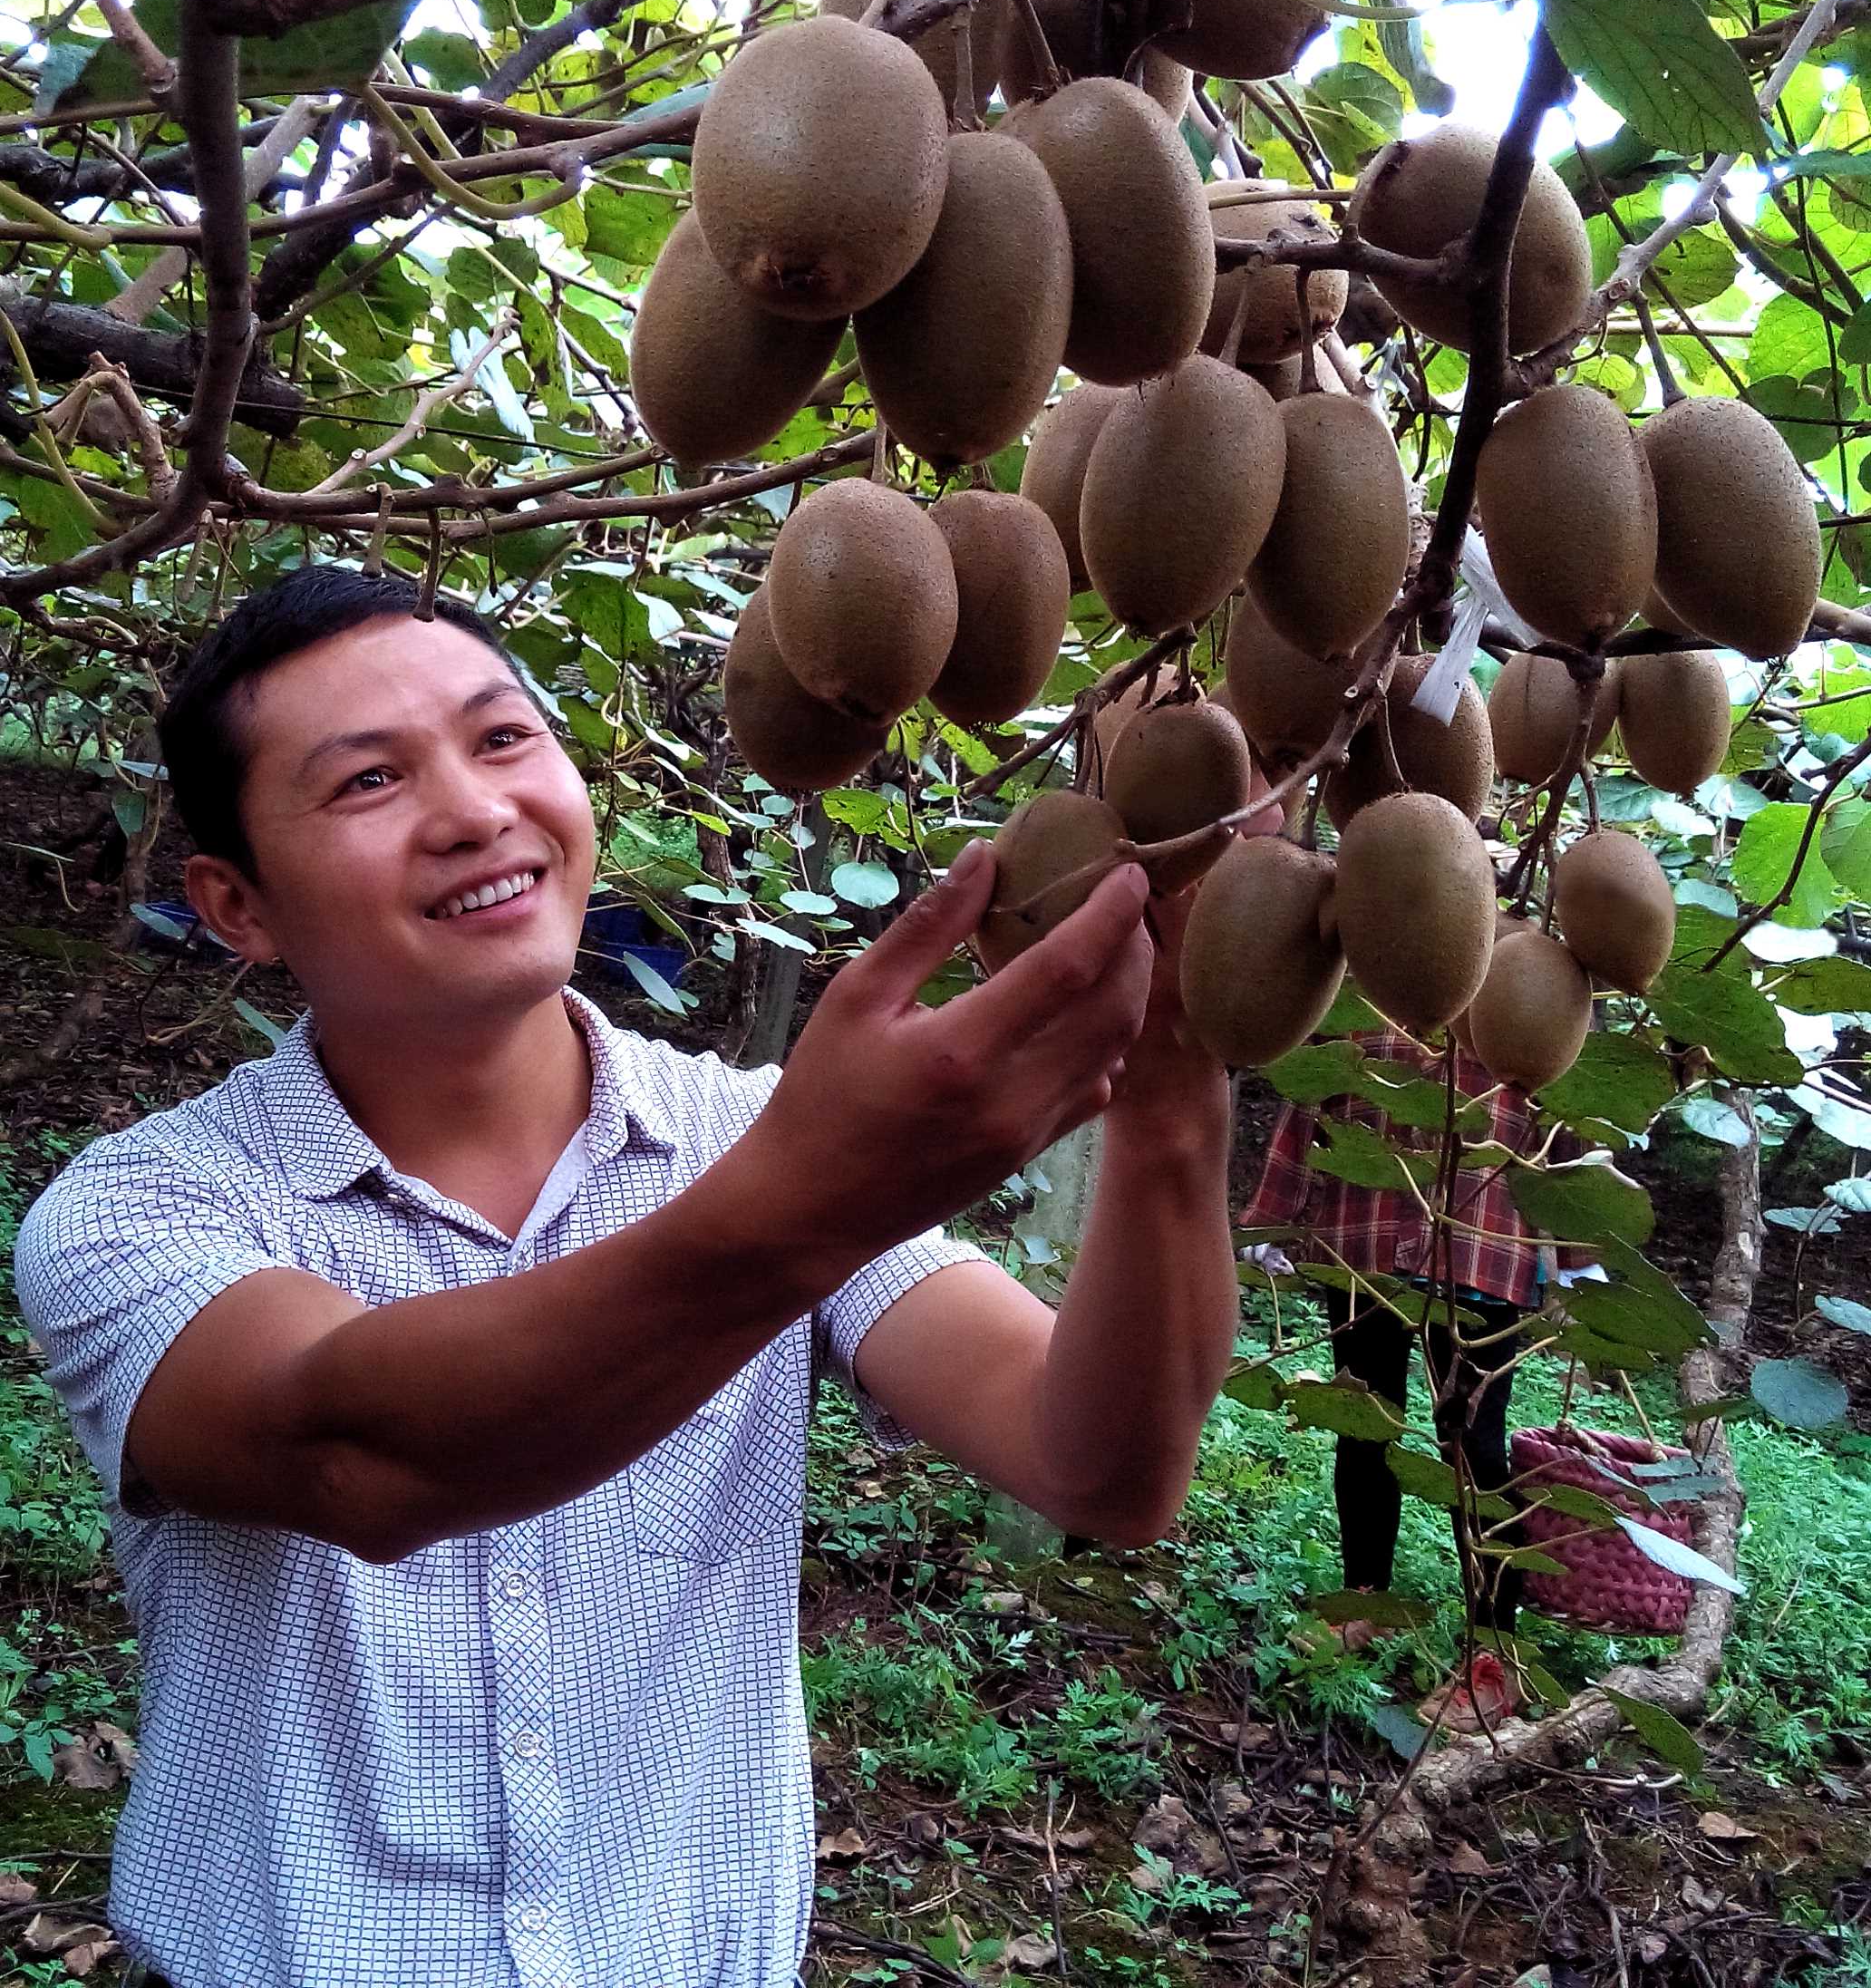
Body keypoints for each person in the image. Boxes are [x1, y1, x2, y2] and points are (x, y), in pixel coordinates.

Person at [15, 566, 1240, 1988]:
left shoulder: (750, 1140)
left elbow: (1101, 1471)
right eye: (366, 783)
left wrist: (1173, 1090)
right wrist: (816, 1196)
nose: (475, 812)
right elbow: (359, 1456)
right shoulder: (136, 1211)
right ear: (237, 904)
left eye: (503, 738)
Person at [1237, 1024, 1566, 1732]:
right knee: (1363, 1424)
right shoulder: (1366, 982)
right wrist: (1273, 1217)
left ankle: (1493, 1654)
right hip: (1363, 1242)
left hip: (1482, 1252)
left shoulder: (1521, 985)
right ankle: (1365, 1602)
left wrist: (1575, 1254)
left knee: (1474, 1447)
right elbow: (1311, 1102)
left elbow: (1558, 1123)